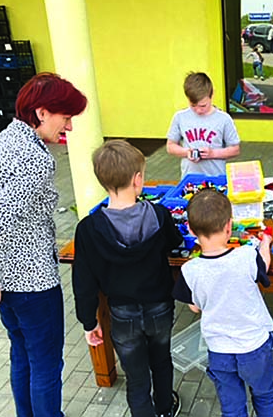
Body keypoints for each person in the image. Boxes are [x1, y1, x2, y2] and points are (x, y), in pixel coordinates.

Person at [0, 72, 87, 416]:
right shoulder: (36, 161)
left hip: (3, 280)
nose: (68, 126)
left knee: (21, 354)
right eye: (65, 117)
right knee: (47, 365)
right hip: (32, 283)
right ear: (41, 112)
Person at [72, 140, 183, 417]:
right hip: (159, 306)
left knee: (135, 376)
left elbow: (83, 283)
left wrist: (89, 321)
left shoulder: (88, 229)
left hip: (122, 314)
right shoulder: (159, 215)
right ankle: (165, 408)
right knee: (161, 360)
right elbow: (175, 241)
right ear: (137, 180)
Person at [171, 189, 273, 417]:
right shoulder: (245, 256)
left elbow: (195, 307)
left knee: (232, 406)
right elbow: (264, 264)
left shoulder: (189, 270)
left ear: (191, 231)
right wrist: (266, 242)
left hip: (219, 350)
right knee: (264, 393)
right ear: (229, 227)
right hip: (253, 346)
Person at [167, 72, 241, 177]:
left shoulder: (224, 119)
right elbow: (170, 146)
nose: (198, 110)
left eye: (203, 105)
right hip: (189, 179)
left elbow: (235, 149)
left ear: (212, 95)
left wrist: (213, 154)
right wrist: (187, 152)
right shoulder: (180, 117)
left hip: (216, 178)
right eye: (193, 105)